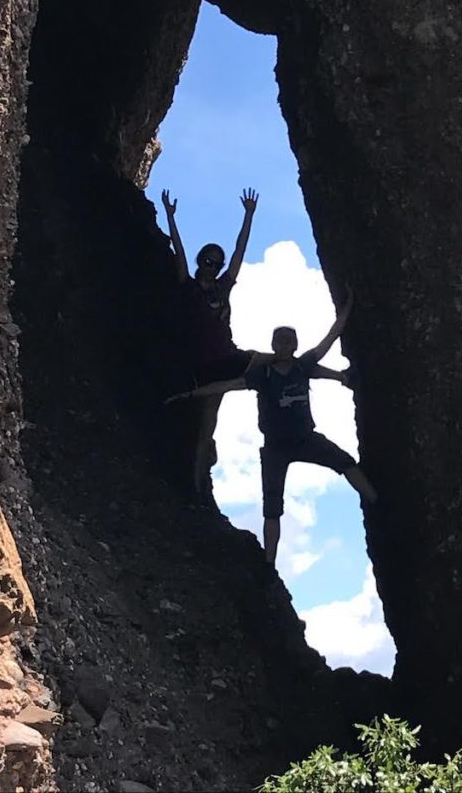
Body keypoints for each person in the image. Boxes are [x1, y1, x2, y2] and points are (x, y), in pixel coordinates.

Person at [166, 290, 377, 563]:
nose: (285, 343)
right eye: (280, 339)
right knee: (272, 508)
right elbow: (228, 385)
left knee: (347, 463)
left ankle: (377, 504)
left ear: (296, 344)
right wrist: (189, 394)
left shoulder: (304, 366)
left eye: (290, 339)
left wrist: (348, 306)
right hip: (275, 447)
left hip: (305, 438)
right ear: (274, 345)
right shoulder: (262, 375)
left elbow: (330, 336)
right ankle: (269, 564)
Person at [161, 187, 271, 496]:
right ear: (200, 262)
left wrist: (248, 216)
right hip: (206, 365)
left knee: (277, 359)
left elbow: (239, 252)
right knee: (206, 429)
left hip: (229, 357)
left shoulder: (223, 288)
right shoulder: (189, 287)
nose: (212, 265)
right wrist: (171, 218)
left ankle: (317, 380)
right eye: (208, 261)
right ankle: (196, 490)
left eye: (216, 262)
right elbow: (179, 254)